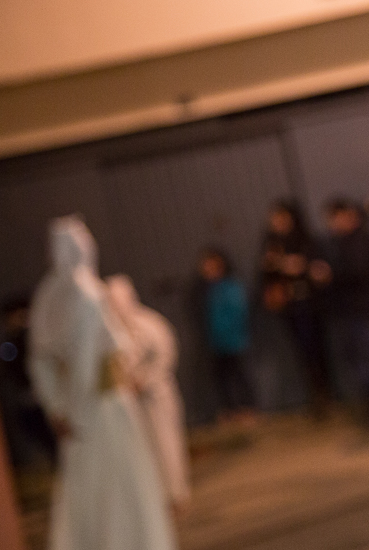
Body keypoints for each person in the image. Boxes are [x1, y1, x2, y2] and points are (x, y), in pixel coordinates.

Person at [28, 215, 175, 549]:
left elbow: (41, 360)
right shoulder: (87, 294)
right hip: (106, 406)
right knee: (122, 481)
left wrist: (58, 406)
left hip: (81, 406)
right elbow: (92, 357)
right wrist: (77, 403)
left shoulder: (48, 296)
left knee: (89, 483)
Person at [107, 274, 191, 516]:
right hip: (132, 403)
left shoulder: (151, 324)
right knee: (144, 451)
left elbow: (166, 356)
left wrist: (146, 379)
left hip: (158, 397)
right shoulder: (112, 332)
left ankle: (176, 494)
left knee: (167, 446)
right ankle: (154, 499)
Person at [259, 201, 333, 410]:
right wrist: (274, 266)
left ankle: (326, 394)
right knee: (303, 353)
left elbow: (321, 271)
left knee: (317, 349)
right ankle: (317, 395)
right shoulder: (271, 245)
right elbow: (266, 276)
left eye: (282, 218)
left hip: (311, 304)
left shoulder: (307, 241)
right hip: (289, 307)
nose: (277, 223)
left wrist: (302, 267)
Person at [326, 199, 369, 425]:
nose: (334, 222)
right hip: (349, 311)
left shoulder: (362, 240)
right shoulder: (337, 243)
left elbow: (361, 272)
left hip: (366, 309)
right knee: (357, 360)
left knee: (368, 360)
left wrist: (331, 275)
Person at [0, 295, 58, 469]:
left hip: (50, 401)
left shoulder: (39, 337)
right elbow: (10, 367)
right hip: (31, 404)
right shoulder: (10, 345)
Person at [198, 249, 257, 424]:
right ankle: (230, 411)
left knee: (240, 375)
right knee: (221, 378)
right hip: (216, 342)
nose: (207, 270)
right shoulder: (207, 290)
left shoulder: (231, 287)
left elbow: (238, 313)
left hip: (234, 340)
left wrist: (232, 333)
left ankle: (249, 409)